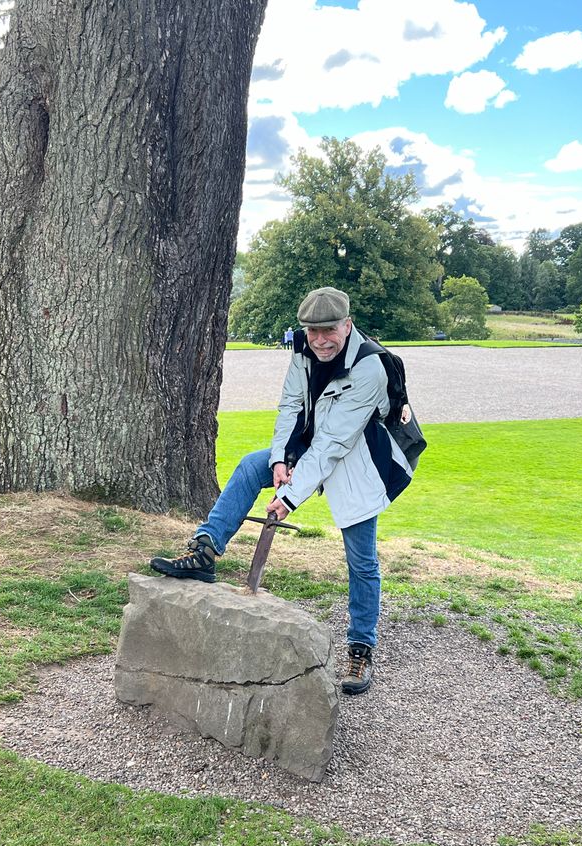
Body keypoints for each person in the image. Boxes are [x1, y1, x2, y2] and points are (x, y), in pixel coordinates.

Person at [151, 287, 414, 696]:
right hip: (316, 445)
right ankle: (206, 548)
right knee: (250, 466)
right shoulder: (303, 353)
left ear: (348, 325)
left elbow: (334, 444)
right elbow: (290, 407)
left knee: (362, 559)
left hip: (361, 460)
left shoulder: (371, 368)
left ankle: (361, 647)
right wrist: (279, 459)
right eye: (313, 332)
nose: (321, 340)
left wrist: (289, 497)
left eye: (329, 330)